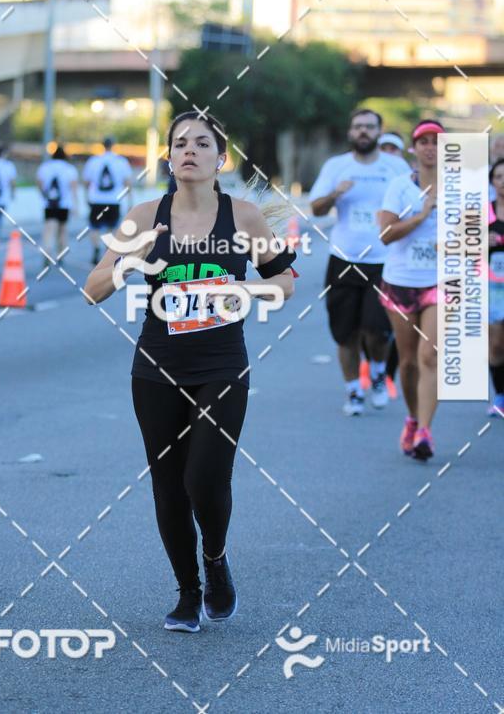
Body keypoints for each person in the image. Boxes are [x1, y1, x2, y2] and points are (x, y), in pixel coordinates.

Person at [84, 111, 296, 632]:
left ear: (220, 158)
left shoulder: (243, 216)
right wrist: (131, 261)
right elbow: (92, 289)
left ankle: (216, 561)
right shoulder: (143, 215)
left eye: (202, 144)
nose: (190, 151)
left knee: (205, 478)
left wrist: (243, 290)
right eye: (180, 143)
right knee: (168, 485)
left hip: (222, 365)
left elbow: (285, 283)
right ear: (169, 157)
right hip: (156, 367)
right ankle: (187, 592)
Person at [309, 108, 409, 416]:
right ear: (351, 132)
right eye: (358, 127)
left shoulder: (395, 167)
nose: (363, 131)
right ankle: (353, 391)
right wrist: (335, 195)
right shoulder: (336, 166)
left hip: (383, 261)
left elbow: (413, 203)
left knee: (376, 331)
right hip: (344, 259)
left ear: (379, 132)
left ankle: (378, 371)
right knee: (345, 333)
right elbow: (316, 209)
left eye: (369, 127)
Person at [378, 119, 443, 460]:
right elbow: (385, 235)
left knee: (429, 356)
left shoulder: (461, 187)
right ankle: (414, 417)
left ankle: (425, 434)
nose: (430, 147)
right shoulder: (399, 186)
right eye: (424, 142)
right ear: (414, 149)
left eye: (436, 141)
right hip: (401, 281)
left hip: (441, 282)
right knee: (407, 363)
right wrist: (421, 217)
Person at [83, 137, 133, 265]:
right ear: (113, 145)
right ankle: (107, 252)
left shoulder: (93, 161)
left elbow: (86, 182)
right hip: (114, 201)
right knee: (111, 228)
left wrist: (86, 197)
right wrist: (129, 201)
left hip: (97, 200)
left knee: (94, 227)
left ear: (102, 145)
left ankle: (96, 248)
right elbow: (127, 183)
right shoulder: (121, 161)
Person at [36, 145, 79, 264]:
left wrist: (44, 195)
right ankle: (61, 255)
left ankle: (47, 251)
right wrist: (76, 206)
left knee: (49, 228)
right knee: (62, 229)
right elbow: (74, 188)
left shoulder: (45, 167)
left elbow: (40, 183)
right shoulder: (70, 169)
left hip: (49, 203)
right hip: (65, 204)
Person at [487, 158, 504, 418]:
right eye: (499, 176)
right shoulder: (483, 212)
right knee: (497, 346)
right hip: (492, 288)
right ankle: (500, 395)